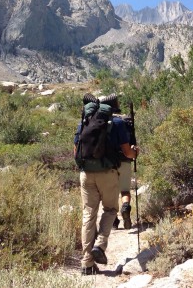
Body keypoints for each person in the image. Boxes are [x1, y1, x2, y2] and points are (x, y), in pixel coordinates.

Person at [74, 93, 139, 276]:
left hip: (86, 174)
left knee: (89, 215)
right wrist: (135, 153)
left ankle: (87, 263)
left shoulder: (84, 121)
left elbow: (75, 151)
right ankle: (100, 245)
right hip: (107, 174)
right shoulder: (117, 123)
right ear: (113, 108)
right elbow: (127, 153)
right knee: (110, 209)